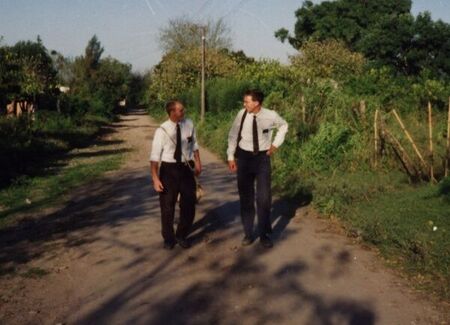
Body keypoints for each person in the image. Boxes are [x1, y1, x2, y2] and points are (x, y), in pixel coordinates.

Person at [227, 89, 288, 248]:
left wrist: (275, 144)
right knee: (246, 198)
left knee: (264, 198)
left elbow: (284, 125)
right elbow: (233, 135)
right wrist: (230, 156)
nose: (244, 104)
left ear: (256, 103)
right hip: (244, 158)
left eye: (247, 101)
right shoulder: (241, 114)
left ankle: (265, 234)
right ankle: (248, 233)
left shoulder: (270, 115)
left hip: (262, 158)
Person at [150, 100, 202, 249]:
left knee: (189, 204)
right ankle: (168, 238)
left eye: (183, 109)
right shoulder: (161, 130)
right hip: (168, 170)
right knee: (167, 206)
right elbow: (154, 156)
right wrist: (155, 178)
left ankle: (181, 235)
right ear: (172, 112)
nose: (183, 112)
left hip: (186, 168)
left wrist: (198, 162)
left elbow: (195, 144)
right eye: (180, 110)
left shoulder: (189, 124)